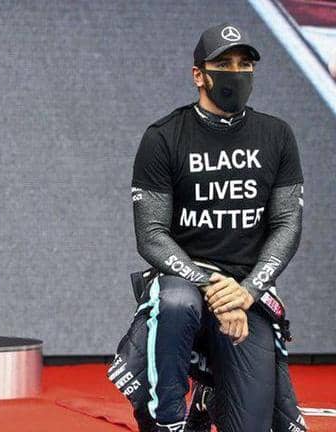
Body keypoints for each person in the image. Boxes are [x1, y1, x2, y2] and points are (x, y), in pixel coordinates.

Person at [108, 23, 307, 432]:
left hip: (245, 293)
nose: (236, 72)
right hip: (183, 281)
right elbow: (151, 235)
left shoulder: (277, 135)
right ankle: (167, 421)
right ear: (199, 74)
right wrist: (212, 286)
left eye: (244, 64)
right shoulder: (164, 137)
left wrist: (247, 292)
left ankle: (208, 395)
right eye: (224, 63)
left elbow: (287, 223)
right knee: (176, 304)